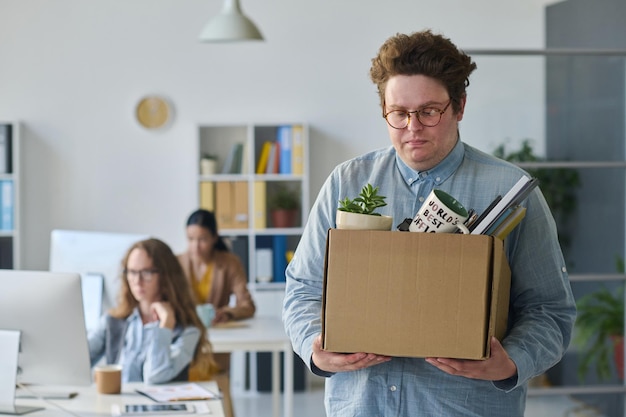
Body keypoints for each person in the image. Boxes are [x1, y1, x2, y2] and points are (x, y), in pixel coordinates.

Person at [282, 30, 577, 416]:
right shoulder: (347, 182)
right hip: (362, 406)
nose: (412, 128)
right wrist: (316, 347)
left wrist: (511, 362)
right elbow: (303, 288)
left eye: (428, 112)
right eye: (399, 113)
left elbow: (550, 310)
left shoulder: (510, 192)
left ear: (460, 107)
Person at [88, 238, 218, 384]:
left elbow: (155, 376)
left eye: (147, 272)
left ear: (165, 276)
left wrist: (165, 326)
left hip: (159, 406)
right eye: (132, 272)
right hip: (115, 405)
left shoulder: (188, 330)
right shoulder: (112, 321)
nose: (137, 280)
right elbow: (79, 361)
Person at [177, 208, 256, 372]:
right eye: (190, 239)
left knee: (219, 387)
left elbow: (247, 305)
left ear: (214, 237)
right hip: (183, 339)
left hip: (217, 341)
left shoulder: (229, 263)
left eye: (202, 239)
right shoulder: (177, 263)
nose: (195, 247)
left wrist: (226, 313)